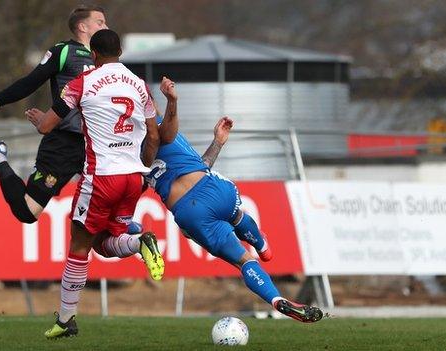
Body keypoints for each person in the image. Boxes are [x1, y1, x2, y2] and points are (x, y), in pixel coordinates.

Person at [117, 114, 324, 323]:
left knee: (244, 262)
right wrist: (216, 140)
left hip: (189, 212)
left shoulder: (126, 155)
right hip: (214, 190)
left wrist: (126, 222)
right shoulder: (164, 128)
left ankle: (276, 299)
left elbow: (128, 193)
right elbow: (203, 164)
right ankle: (260, 244)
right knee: (236, 215)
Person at [26, 29, 164, 338]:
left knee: (79, 245)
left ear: (94, 55)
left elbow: (48, 126)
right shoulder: (140, 86)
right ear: (120, 53)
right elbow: (153, 136)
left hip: (101, 176)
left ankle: (65, 320)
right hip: (132, 177)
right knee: (104, 245)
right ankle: (138, 242)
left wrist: (38, 120)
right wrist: (144, 169)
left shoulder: (82, 82)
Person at [0, 5, 107, 224]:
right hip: (63, 144)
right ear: (83, 26)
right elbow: (30, 83)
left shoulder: (107, 60)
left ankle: (124, 221)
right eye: (100, 22)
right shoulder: (64, 51)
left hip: (97, 144)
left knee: (122, 192)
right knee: (27, 212)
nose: (106, 27)